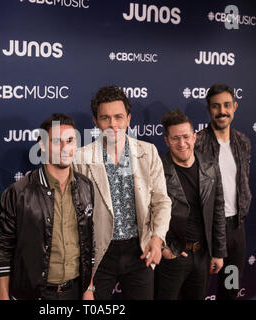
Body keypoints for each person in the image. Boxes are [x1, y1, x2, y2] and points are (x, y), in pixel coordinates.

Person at [73, 85, 171, 300]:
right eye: (105, 118)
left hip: (140, 251)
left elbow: (162, 201)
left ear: (128, 118)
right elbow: (76, 217)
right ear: (95, 122)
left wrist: (157, 238)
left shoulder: (148, 152)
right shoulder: (80, 158)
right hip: (98, 256)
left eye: (118, 117)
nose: (113, 125)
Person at [0, 113, 94, 300]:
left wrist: (89, 288)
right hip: (32, 293)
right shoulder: (19, 192)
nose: (65, 148)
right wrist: (3, 295)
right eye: (57, 141)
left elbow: (89, 243)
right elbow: (3, 249)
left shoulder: (86, 187)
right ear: (42, 145)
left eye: (70, 140)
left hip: (75, 291)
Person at [154, 109, 226, 300]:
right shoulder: (158, 169)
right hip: (173, 256)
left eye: (186, 136)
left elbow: (218, 211)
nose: (182, 143)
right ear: (167, 141)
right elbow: (147, 213)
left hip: (202, 255)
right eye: (175, 138)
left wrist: (218, 252)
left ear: (195, 137)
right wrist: (164, 249)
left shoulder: (210, 166)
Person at [195, 83, 252, 300]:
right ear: (209, 109)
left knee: (231, 288)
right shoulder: (197, 143)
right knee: (199, 290)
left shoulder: (243, 142)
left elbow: (243, 182)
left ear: (235, 106)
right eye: (216, 106)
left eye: (227, 105)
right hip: (206, 232)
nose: (222, 111)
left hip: (236, 230)